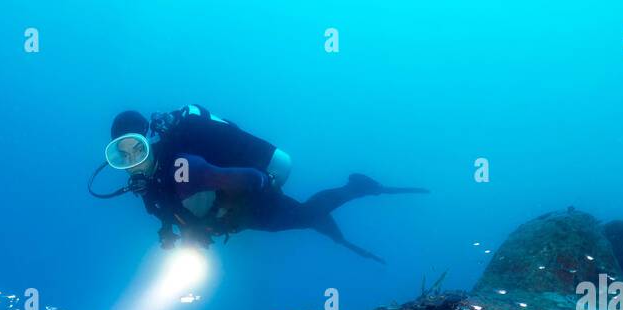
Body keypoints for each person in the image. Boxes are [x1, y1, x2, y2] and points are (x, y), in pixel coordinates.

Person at [102, 105, 426, 263]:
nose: (133, 159)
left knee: (306, 216)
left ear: (149, 139)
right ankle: (342, 204)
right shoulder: (147, 183)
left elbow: (252, 179)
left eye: (137, 147)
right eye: (121, 155)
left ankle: (356, 187)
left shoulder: (183, 165)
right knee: (306, 218)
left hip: (252, 204)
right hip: (232, 218)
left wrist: (228, 209)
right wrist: (172, 232)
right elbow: (169, 208)